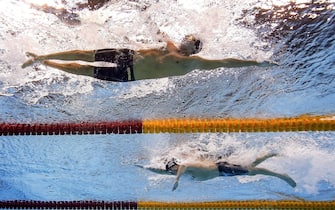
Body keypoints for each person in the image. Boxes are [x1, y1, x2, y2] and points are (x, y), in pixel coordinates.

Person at [22, 35, 274, 82]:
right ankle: (40, 57)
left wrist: (256, 62)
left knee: (82, 70)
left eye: (189, 38)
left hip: (129, 74)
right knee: (82, 54)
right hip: (127, 56)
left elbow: (226, 62)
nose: (184, 38)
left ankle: (44, 63)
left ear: (193, 47)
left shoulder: (192, 63)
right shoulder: (171, 44)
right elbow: (156, 29)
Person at [141, 153, 296, 191]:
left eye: (172, 169)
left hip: (222, 169)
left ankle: (281, 176)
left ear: (174, 165)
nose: (171, 172)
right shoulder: (175, 171)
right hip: (221, 171)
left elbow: (183, 166)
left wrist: (177, 181)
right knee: (251, 167)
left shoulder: (184, 166)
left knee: (252, 171)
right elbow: (160, 172)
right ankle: (270, 153)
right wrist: (142, 167)